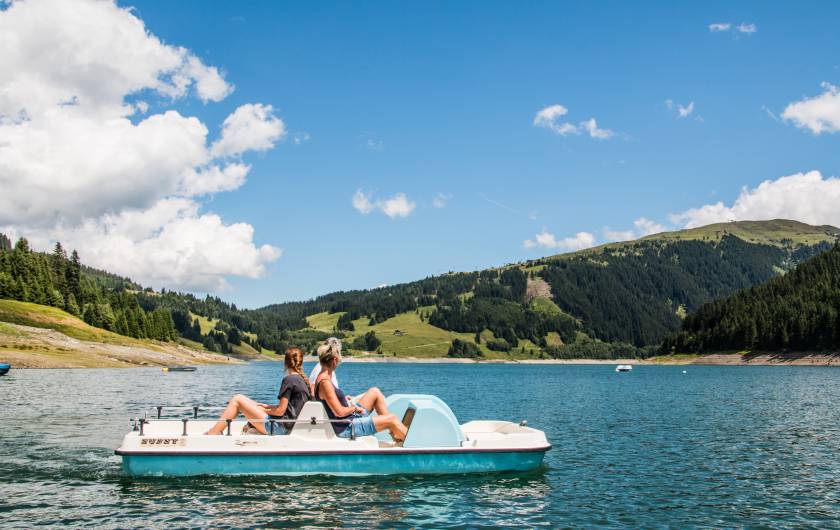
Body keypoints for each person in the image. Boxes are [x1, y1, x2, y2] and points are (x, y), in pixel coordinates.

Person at [313, 337, 407, 442]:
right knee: (392, 418)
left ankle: (395, 434)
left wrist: (343, 399)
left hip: (349, 419)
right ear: (334, 360)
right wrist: (354, 409)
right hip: (347, 427)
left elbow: (329, 401)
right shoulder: (325, 382)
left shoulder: (322, 378)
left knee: (374, 392)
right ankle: (410, 443)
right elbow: (339, 412)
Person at [205, 347, 311, 435]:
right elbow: (288, 409)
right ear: (301, 362)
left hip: (279, 428)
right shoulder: (302, 381)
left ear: (286, 363)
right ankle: (217, 430)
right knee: (254, 404)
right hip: (286, 427)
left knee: (237, 399)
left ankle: (213, 433)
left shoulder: (289, 380)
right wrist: (266, 407)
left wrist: (264, 410)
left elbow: (280, 411)